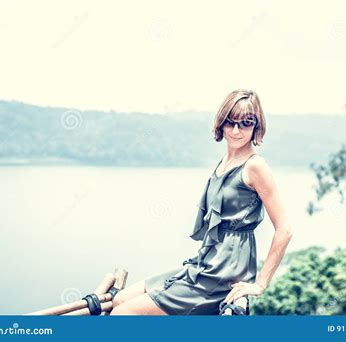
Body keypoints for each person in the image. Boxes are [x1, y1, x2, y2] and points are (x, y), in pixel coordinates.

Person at [110, 89, 293, 315]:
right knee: (119, 300)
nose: (236, 131)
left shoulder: (255, 166)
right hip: (206, 263)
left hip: (225, 271)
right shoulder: (226, 160)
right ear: (221, 123)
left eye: (246, 123)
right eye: (230, 122)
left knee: (123, 314)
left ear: (256, 126)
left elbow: (284, 230)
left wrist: (260, 284)